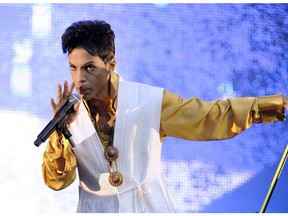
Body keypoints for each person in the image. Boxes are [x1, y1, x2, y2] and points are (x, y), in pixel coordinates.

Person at [41, 20, 288, 213]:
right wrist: (60, 132)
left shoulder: (148, 101)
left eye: (89, 67)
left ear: (111, 64)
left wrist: (273, 105)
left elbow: (210, 116)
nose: (79, 78)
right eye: (73, 67)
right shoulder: (69, 114)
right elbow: (56, 181)